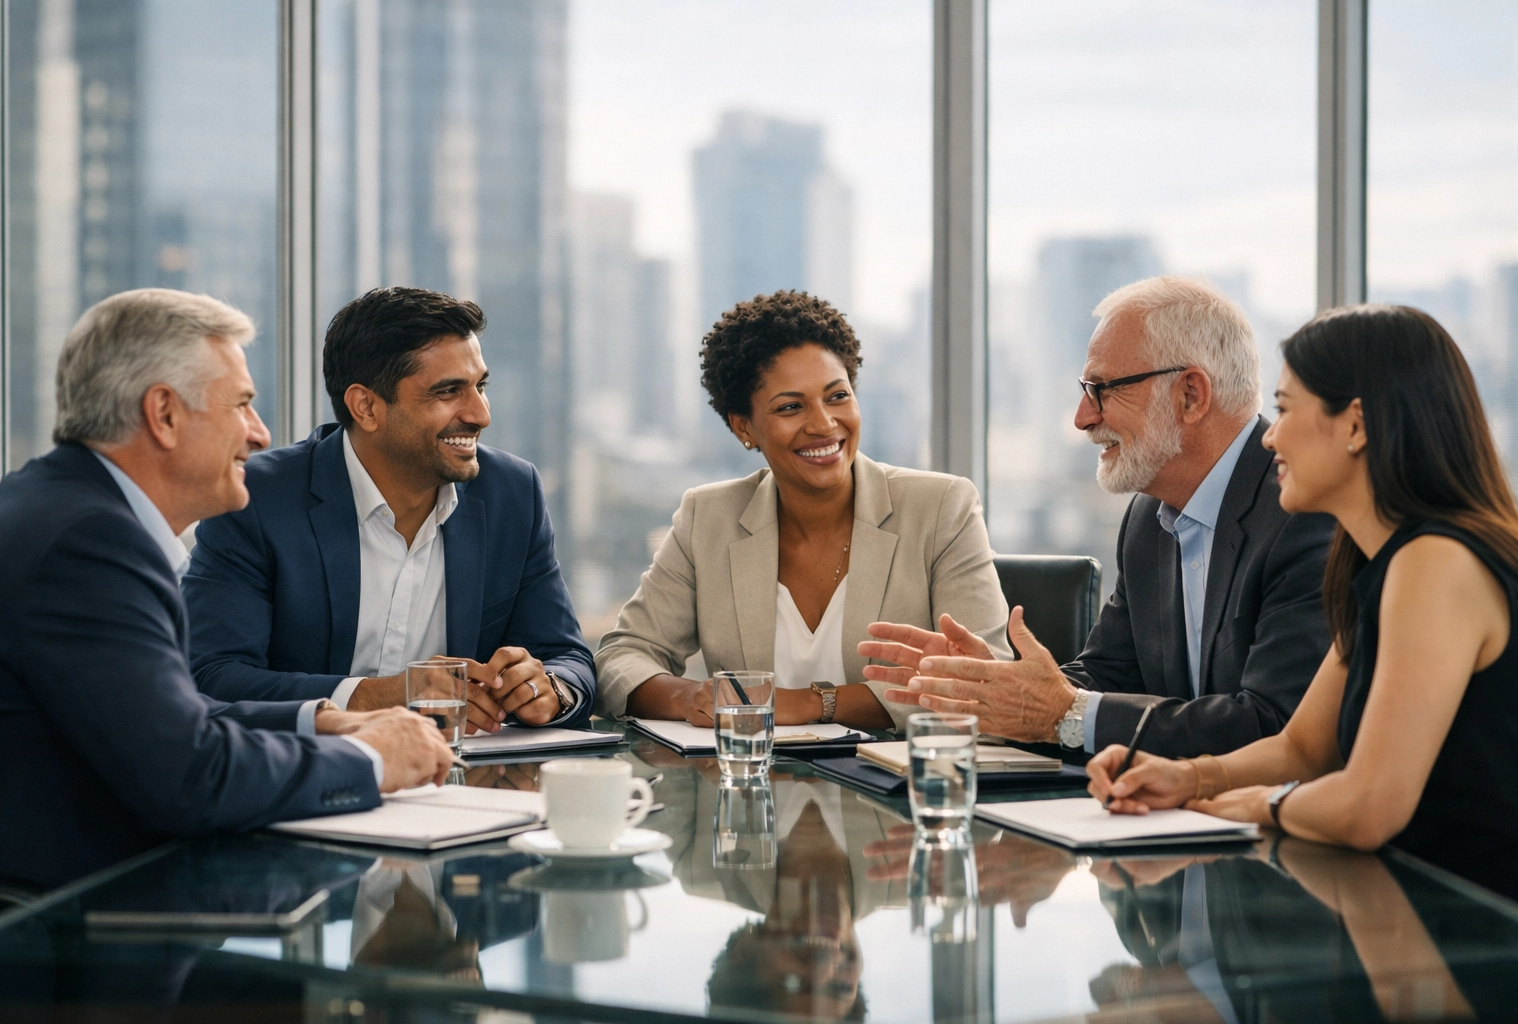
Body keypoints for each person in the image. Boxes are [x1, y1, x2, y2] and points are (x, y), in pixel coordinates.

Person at [0, 289, 454, 890]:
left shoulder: (54, 507)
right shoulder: (91, 544)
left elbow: (156, 717)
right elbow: (189, 778)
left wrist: (315, 721)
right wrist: (372, 759)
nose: (259, 435)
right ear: (165, 414)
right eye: (242, 405)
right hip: (64, 941)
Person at [1088, 304, 1518, 902]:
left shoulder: (1436, 563)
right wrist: (1184, 778)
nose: (1269, 434)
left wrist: (1239, 803)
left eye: (1286, 409)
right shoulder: (1374, 561)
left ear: (1356, 426)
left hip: (1476, 931)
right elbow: (1303, 747)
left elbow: (1368, 806)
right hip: (1402, 911)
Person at [865, 276, 1334, 757]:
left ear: (1191, 395)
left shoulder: (1306, 512)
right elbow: (1108, 678)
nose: (1082, 417)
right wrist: (996, 686)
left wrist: (1057, 712)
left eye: (1103, 389)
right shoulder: (1147, 517)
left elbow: (1276, 725)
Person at [184, 287, 596, 732]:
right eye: (448, 391)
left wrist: (547, 689)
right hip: (311, 776)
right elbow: (211, 676)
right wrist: (384, 697)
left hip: (469, 783)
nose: (480, 414)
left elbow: (568, 658)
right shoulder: (257, 498)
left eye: (480, 386)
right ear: (366, 406)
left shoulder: (512, 494)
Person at [595, 290, 1009, 730]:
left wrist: (812, 704)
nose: (823, 424)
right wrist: (689, 697)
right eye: (791, 407)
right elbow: (621, 656)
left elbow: (986, 678)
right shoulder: (708, 518)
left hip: (898, 787)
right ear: (743, 426)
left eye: (837, 396)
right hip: (751, 784)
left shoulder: (941, 508)